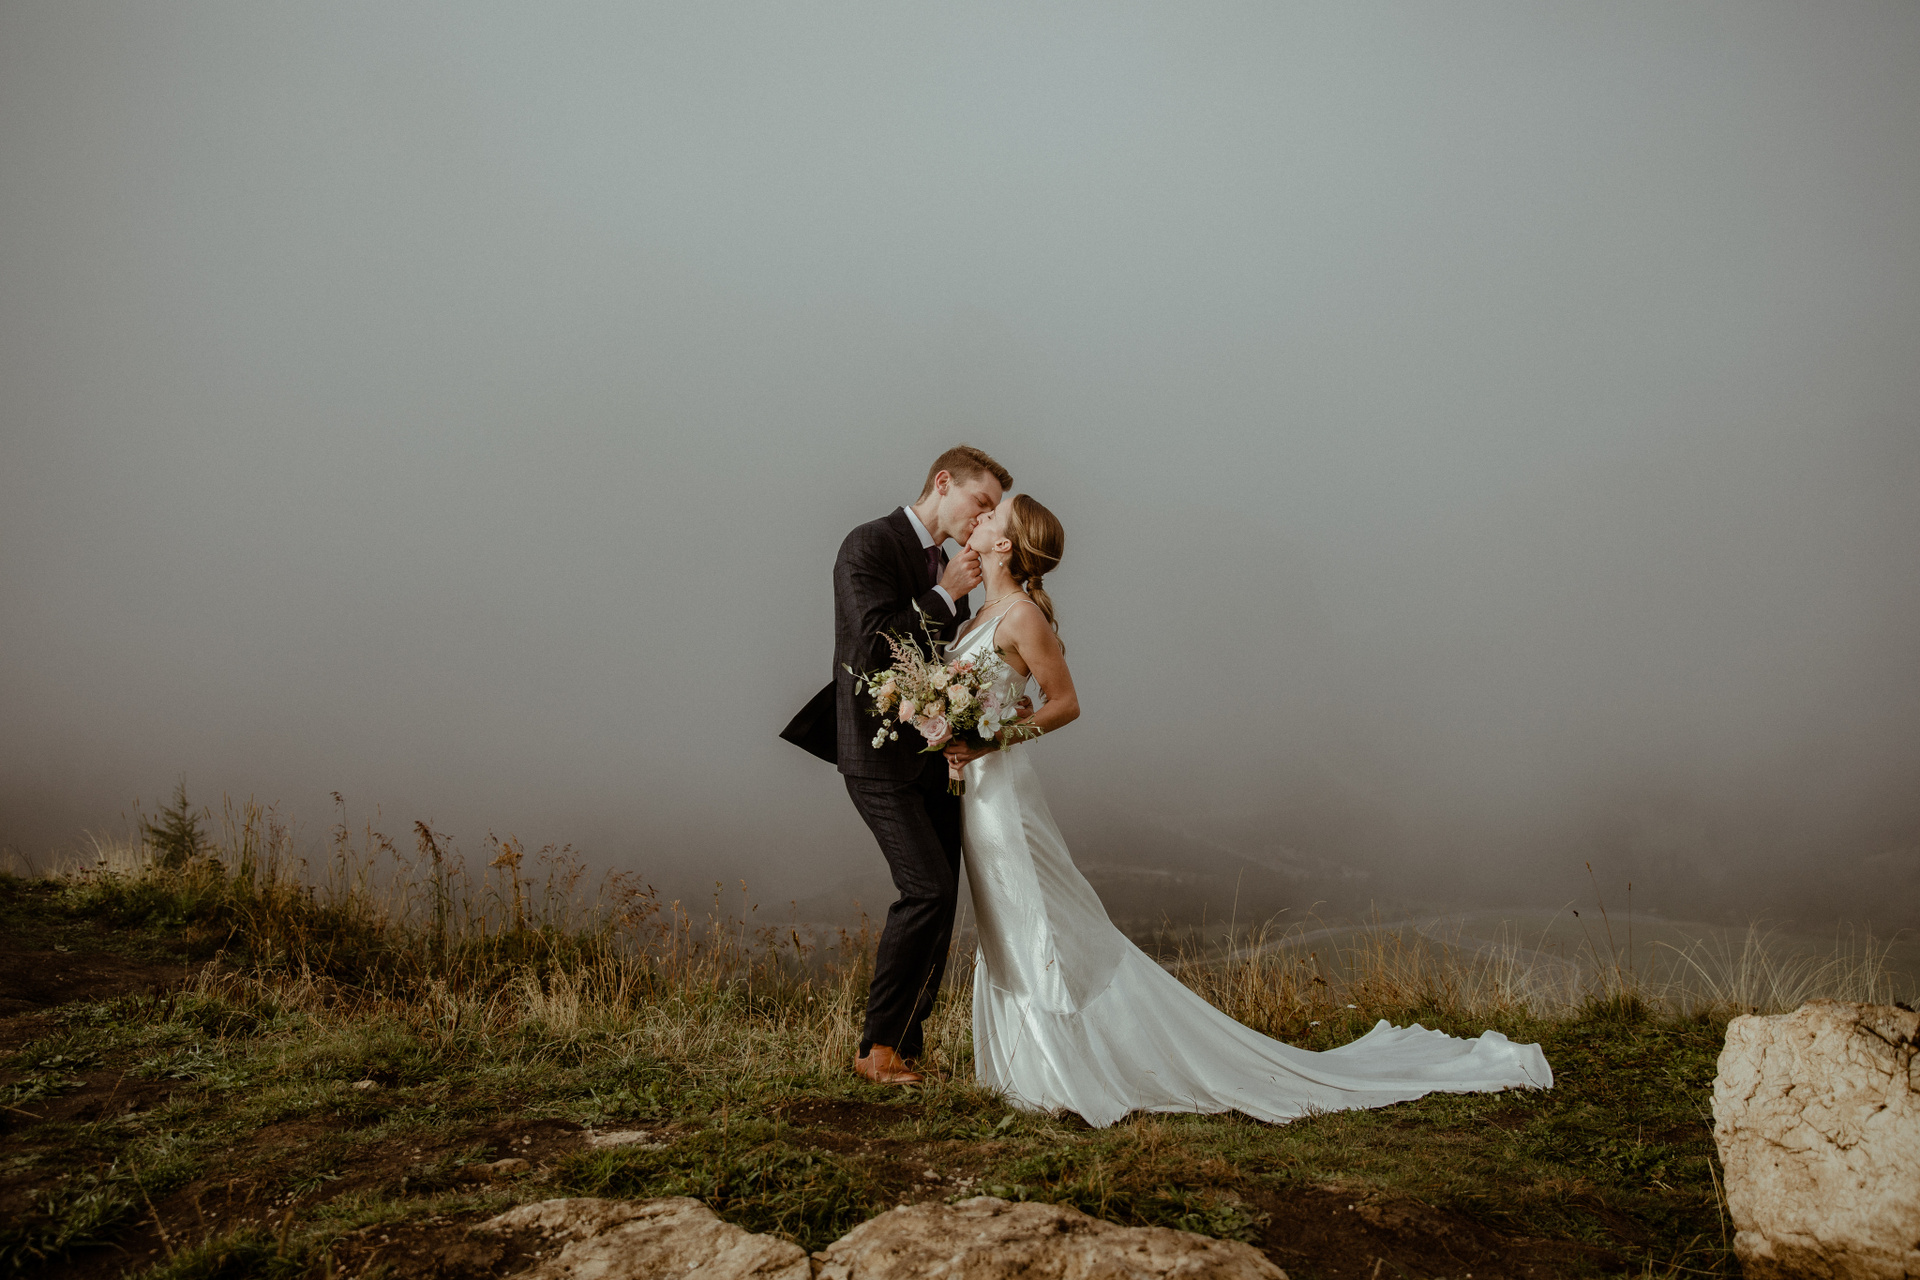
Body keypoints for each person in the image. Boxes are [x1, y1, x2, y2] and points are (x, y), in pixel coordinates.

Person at [938, 492, 1554, 1126]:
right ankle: (1028, 1063)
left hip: (1004, 800)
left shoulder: (1022, 616)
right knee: (1006, 918)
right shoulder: (980, 612)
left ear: (1004, 545)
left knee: (1037, 916)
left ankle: (1062, 1068)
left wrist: (994, 737)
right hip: (976, 790)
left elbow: (1065, 703)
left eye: (992, 517)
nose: (979, 518)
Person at [780, 444, 1012, 1085]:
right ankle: (876, 1049)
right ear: (944, 482)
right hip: (875, 755)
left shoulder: (947, 563)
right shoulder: (869, 544)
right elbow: (870, 648)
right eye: (981, 502)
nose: (984, 518)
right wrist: (946, 592)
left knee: (943, 899)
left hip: (935, 754)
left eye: (992, 511)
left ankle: (906, 1048)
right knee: (926, 889)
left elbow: (942, 664)